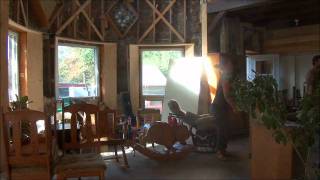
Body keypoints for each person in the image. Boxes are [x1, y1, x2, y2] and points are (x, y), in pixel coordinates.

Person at [210, 54, 237, 160]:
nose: (232, 66)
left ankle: (223, 150)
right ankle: (219, 152)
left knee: (226, 129)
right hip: (218, 108)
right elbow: (226, 96)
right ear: (226, 65)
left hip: (222, 108)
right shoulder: (225, 77)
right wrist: (234, 106)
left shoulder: (227, 76)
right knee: (222, 129)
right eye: (230, 64)